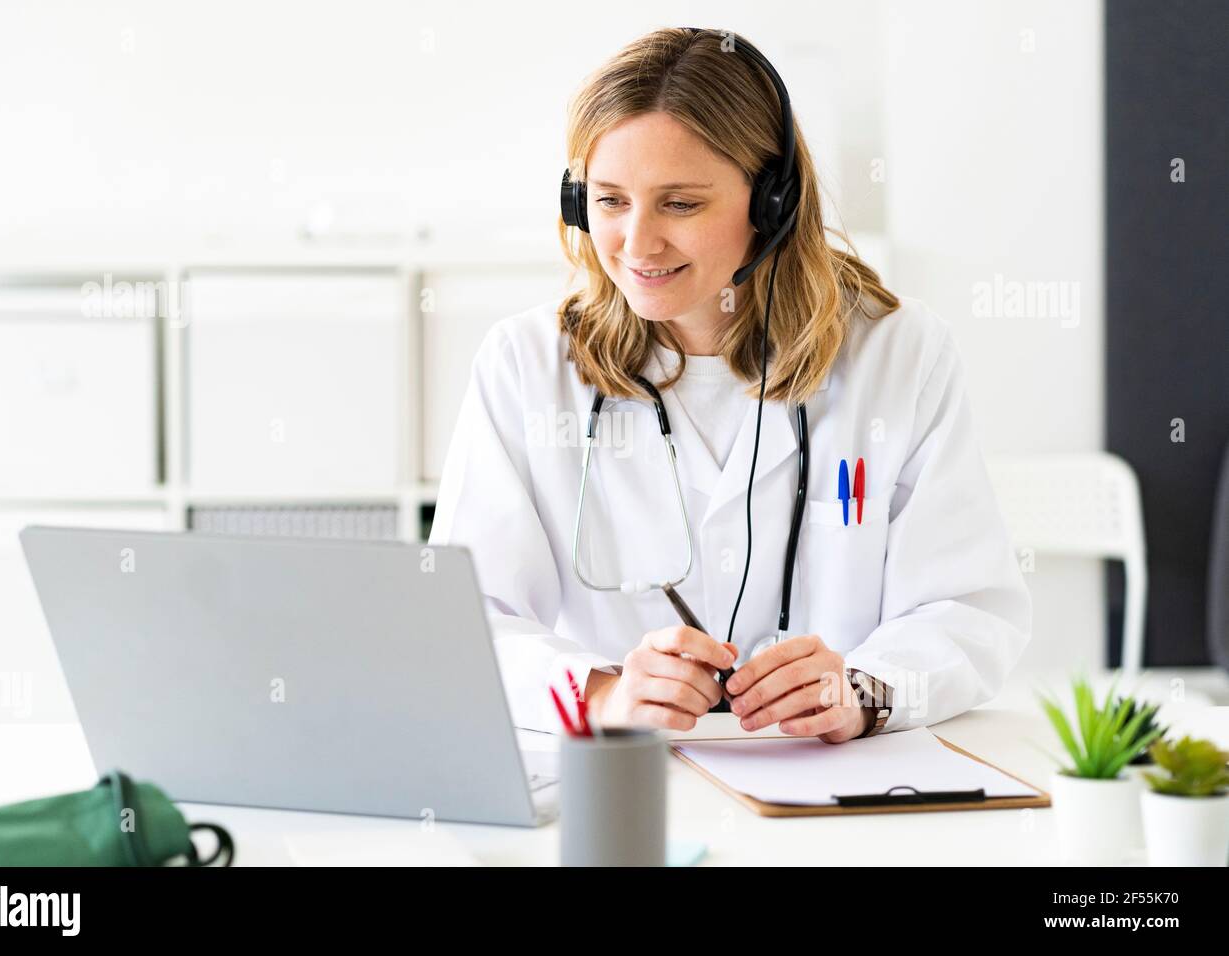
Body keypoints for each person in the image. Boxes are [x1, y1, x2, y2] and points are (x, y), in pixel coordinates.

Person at [429, 27, 1030, 743]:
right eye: (610, 201)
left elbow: (969, 609)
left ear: (772, 202)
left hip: (827, 794)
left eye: (680, 204)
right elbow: (465, 622)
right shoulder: (524, 365)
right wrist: (605, 693)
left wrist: (866, 689)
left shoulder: (898, 353)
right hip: (624, 787)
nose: (637, 242)